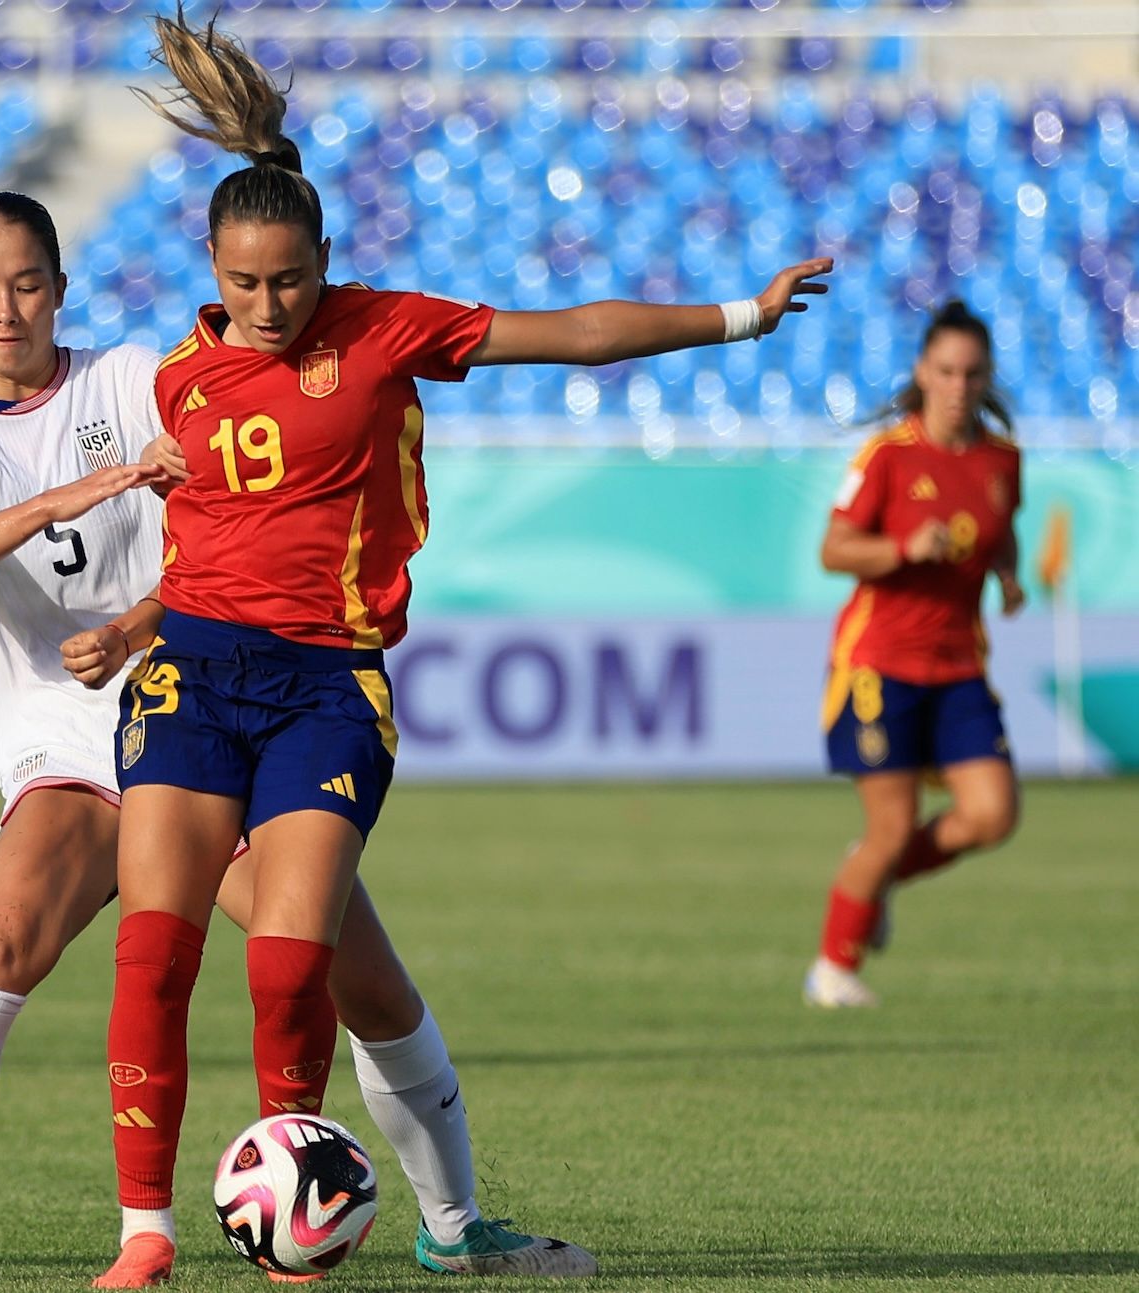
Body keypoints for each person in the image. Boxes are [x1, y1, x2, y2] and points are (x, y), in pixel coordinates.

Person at [94, 13, 833, 1287]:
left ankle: (307, 1234)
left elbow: (576, 334)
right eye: (244, 281)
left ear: (326, 255)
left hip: (327, 686)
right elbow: (207, 547)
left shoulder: (385, 330)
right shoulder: (176, 379)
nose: (268, 305)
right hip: (192, 678)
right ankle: (144, 1239)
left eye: (289, 278)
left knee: (292, 967)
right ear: (210, 264)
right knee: (155, 951)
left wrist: (736, 316)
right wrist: (130, 625)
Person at [0, 191, 591, 1287]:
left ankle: (456, 1225)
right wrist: (71, 494)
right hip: (64, 747)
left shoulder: (139, 377)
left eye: (29, 283)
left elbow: (257, 459)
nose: (8, 309)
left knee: (357, 980)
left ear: (61, 285)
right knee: (0, 942)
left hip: (193, 711)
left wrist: (147, 620)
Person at [804, 300, 1024, 1008]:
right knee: (892, 825)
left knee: (992, 814)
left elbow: (1000, 529)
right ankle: (833, 968)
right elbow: (834, 550)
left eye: (972, 373)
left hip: (958, 662)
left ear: (986, 379)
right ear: (923, 373)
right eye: (946, 370)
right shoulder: (887, 457)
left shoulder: (1001, 460)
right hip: (880, 662)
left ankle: (878, 874)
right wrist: (904, 548)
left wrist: (1009, 574)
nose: (959, 385)